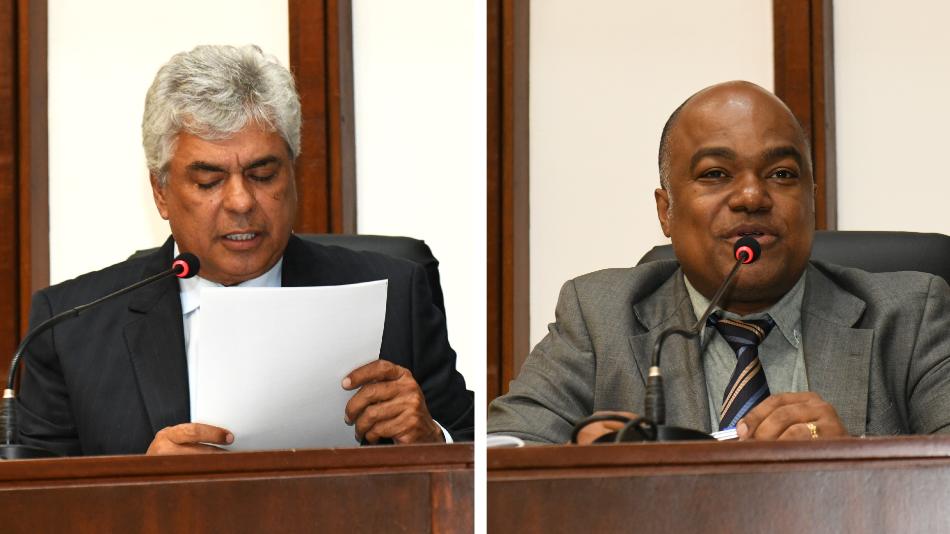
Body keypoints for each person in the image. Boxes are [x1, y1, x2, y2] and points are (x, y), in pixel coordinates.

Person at [17, 45, 473, 456]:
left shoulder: (396, 295)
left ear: (292, 175)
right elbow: (33, 506)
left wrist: (432, 439)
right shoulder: (69, 329)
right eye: (209, 181)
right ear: (160, 192)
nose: (240, 202)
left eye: (262, 175)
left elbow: (481, 465)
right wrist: (146, 491)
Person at [488, 80, 950, 444]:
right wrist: (582, 470)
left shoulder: (910, 317)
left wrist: (854, 461)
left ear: (812, 201)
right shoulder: (599, 315)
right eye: (715, 174)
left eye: (781, 174)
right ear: (666, 211)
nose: (751, 196)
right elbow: (504, 453)